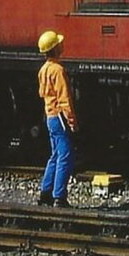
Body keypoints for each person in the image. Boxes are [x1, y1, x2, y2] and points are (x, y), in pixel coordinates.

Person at [37, 29, 77, 207]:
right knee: (65, 155)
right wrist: (71, 120)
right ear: (55, 48)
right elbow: (64, 98)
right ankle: (59, 196)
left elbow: (42, 94)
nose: (62, 45)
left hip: (49, 116)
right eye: (59, 43)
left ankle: (45, 192)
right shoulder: (58, 70)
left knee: (54, 155)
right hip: (60, 116)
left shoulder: (43, 70)